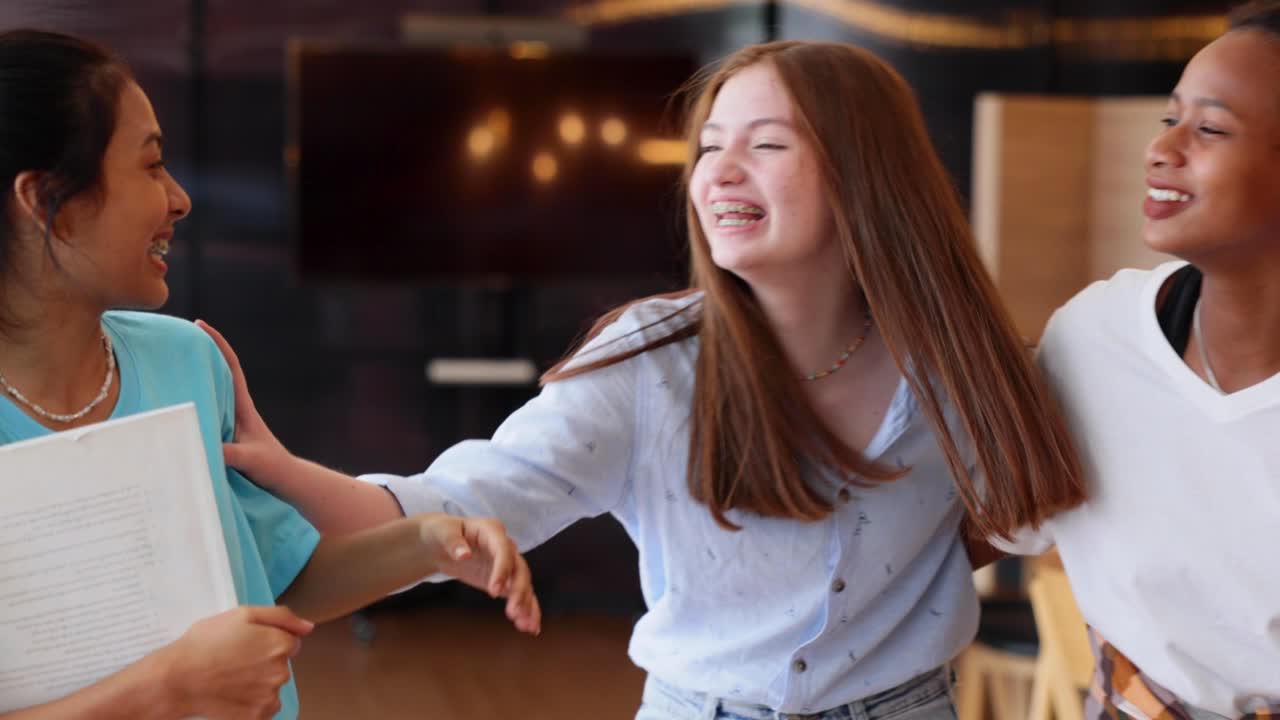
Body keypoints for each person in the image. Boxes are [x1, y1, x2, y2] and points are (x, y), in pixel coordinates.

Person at [204, 41, 1086, 719]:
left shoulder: (963, 367)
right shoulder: (648, 363)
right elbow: (445, 509)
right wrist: (277, 466)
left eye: (766, 144)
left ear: (868, 178)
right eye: (708, 148)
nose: (719, 173)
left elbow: (1017, 517)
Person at [0, 29, 540, 720]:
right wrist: (168, 688)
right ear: (49, 203)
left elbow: (273, 579)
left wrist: (428, 541)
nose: (180, 199)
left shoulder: (188, 361)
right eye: (152, 166)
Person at [989, 2, 1280, 718]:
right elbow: (978, 527)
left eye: (1209, 129)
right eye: (1169, 119)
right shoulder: (1095, 337)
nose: (1162, 150)